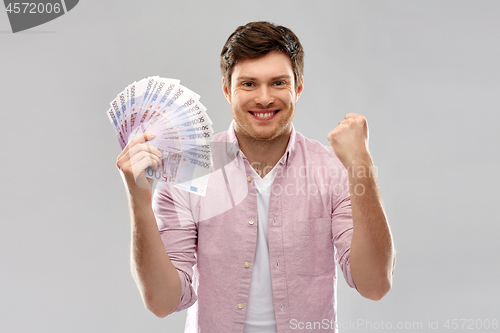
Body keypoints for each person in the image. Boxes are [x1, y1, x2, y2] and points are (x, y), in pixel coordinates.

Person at [116, 21, 396, 333]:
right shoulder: (188, 172)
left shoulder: (333, 171)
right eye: (248, 84)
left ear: (298, 87)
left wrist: (362, 166)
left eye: (278, 83)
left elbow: (374, 285)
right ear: (226, 89)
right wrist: (139, 202)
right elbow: (163, 302)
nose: (264, 98)